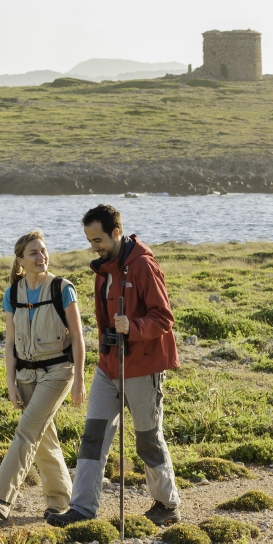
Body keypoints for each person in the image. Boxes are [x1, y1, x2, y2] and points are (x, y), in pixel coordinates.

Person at [48, 204, 182, 527]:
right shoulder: (105, 268)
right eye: (90, 241)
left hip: (143, 367)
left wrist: (131, 328)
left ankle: (168, 504)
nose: (93, 247)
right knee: (93, 435)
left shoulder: (143, 266)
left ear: (116, 233)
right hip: (110, 365)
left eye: (98, 240)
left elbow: (164, 318)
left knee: (148, 438)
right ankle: (82, 509)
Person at [0, 230, 86, 520]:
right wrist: (10, 383)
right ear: (20, 260)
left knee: (27, 431)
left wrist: (79, 379)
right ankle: (60, 500)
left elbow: (78, 337)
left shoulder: (61, 288)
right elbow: (8, 343)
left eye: (43, 251)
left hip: (58, 372)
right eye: (34, 253)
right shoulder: (12, 294)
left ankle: (3, 497)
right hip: (26, 376)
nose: (41, 256)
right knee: (44, 438)